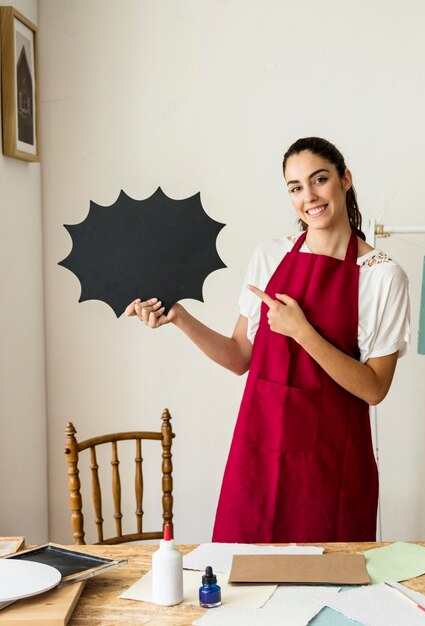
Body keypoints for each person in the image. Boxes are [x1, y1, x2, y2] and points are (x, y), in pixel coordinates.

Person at [126, 137, 410, 542]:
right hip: (259, 458)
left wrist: (302, 332)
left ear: (345, 180)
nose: (308, 196)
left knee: (331, 591)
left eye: (319, 180)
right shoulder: (269, 256)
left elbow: (375, 388)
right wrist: (180, 318)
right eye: (295, 187)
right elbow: (241, 356)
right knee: (241, 586)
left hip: (335, 469)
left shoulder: (382, 276)